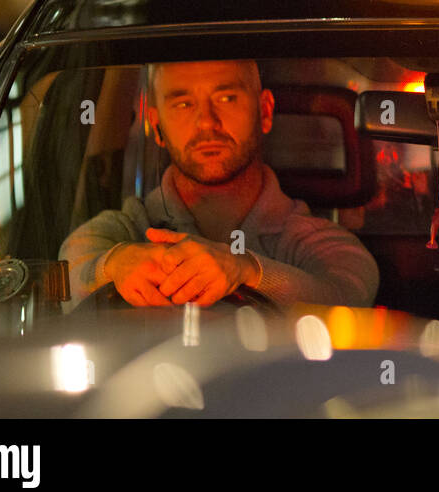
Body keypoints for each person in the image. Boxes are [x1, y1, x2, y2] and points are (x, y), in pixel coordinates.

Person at [59, 59, 379, 308]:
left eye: (226, 97)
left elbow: (347, 294)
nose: (207, 122)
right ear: (156, 127)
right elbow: (68, 274)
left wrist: (246, 270)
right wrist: (113, 265)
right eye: (184, 103)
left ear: (265, 111)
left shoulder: (317, 242)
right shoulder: (124, 229)